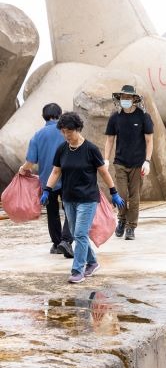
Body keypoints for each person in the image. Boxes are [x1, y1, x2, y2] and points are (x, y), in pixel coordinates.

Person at [41, 112, 125, 283]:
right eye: (63, 131)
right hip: (68, 198)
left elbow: (103, 172)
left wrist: (114, 192)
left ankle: (77, 270)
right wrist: (47, 189)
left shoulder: (90, 149)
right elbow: (56, 171)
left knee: (79, 233)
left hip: (88, 198)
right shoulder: (62, 149)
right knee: (75, 232)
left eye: (69, 132)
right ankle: (92, 262)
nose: (66, 135)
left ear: (77, 129)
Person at [19, 103, 75, 258]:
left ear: (44, 116)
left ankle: (57, 244)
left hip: (47, 182)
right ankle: (66, 241)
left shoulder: (38, 135)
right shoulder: (66, 132)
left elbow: (30, 161)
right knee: (70, 210)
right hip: (68, 178)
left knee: (52, 213)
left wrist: (23, 169)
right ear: (60, 114)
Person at [104, 85, 154, 241]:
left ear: (134, 99)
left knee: (135, 197)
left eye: (128, 97)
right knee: (122, 195)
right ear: (119, 98)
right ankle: (122, 220)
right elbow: (109, 140)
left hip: (138, 164)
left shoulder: (143, 117)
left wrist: (147, 161)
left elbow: (149, 140)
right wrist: (105, 159)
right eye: (123, 97)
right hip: (120, 162)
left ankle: (131, 227)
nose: (125, 100)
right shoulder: (115, 117)